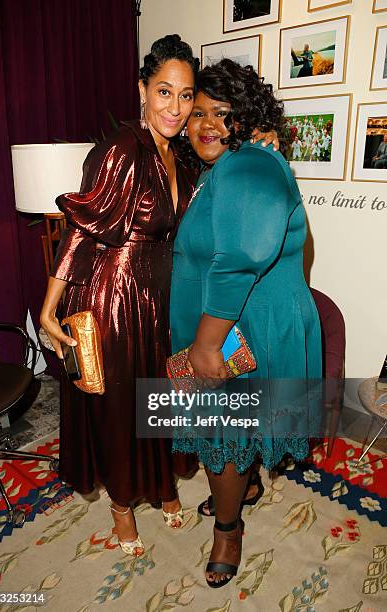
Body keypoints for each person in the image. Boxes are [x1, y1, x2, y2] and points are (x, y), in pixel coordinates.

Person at [40, 35, 278, 558]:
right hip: (114, 299)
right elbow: (82, 226)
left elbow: (224, 170)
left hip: (158, 301)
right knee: (122, 408)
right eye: (164, 92)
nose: (176, 107)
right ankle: (122, 505)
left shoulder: (180, 155)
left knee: (160, 401)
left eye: (186, 95)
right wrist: (48, 304)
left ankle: (160, 486)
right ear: (142, 90)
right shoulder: (123, 148)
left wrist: (261, 137)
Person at [169, 59, 322, 587]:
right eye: (198, 113)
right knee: (233, 430)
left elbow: (238, 259)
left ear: (247, 117)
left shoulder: (249, 165)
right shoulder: (234, 165)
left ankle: (229, 530)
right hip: (241, 323)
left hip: (235, 331)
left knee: (221, 434)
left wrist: (208, 345)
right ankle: (246, 487)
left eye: (222, 113)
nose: (206, 124)